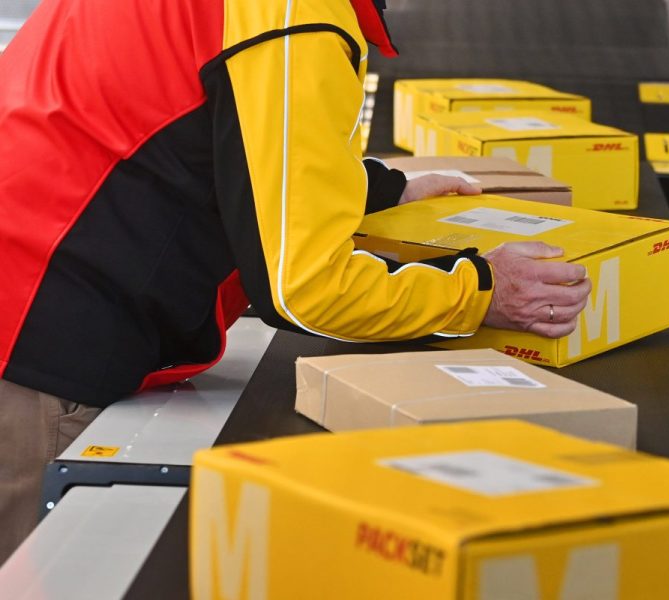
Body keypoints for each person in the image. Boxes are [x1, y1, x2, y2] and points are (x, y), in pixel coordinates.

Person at [0, 0, 591, 563]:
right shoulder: (293, 15)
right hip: (36, 334)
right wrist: (483, 291)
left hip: (27, 276)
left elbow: (198, 127)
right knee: (40, 571)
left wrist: (381, 189)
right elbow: (305, 288)